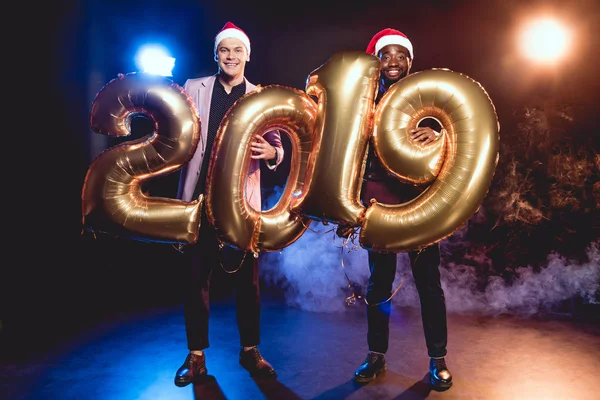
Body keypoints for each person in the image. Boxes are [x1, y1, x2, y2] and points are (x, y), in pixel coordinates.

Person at [338, 28, 452, 391]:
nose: (392, 62)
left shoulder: (425, 97)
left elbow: (457, 131)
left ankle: (438, 359)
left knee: (428, 284)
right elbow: (350, 155)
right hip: (378, 199)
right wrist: (350, 205)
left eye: (399, 55)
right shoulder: (363, 100)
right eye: (385, 55)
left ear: (409, 62)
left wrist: (439, 136)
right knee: (379, 284)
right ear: (376, 61)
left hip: (419, 201)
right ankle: (376, 355)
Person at [173, 21, 284, 387]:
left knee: (247, 284)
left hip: (241, 203)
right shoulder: (194, 88)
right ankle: (196, 356)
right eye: (225, 50)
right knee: (195, 280)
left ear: (247, 56)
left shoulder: (260, 95)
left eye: (238, 51)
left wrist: (272, 152)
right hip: (199, 199)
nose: (231, 56)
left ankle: (250, 350)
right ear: (216, 55)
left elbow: (278, 145)